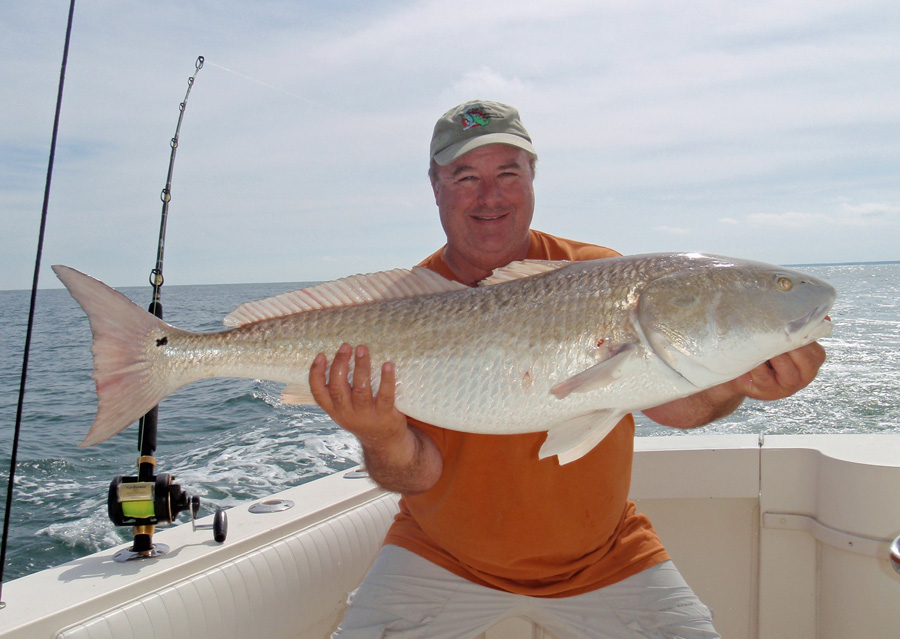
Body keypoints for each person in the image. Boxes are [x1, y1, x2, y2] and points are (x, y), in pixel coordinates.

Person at [308, 100, 826, 638]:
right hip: (439, 555)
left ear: (532, 178)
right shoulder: (398, 305)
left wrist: (738, 380)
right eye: (466, 176)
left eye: (508, 172)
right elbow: (418, 475)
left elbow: (681, 405)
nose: (490, 195)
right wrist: (380, 435)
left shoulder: (599, 274)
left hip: (606, 558)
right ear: (435, 185)